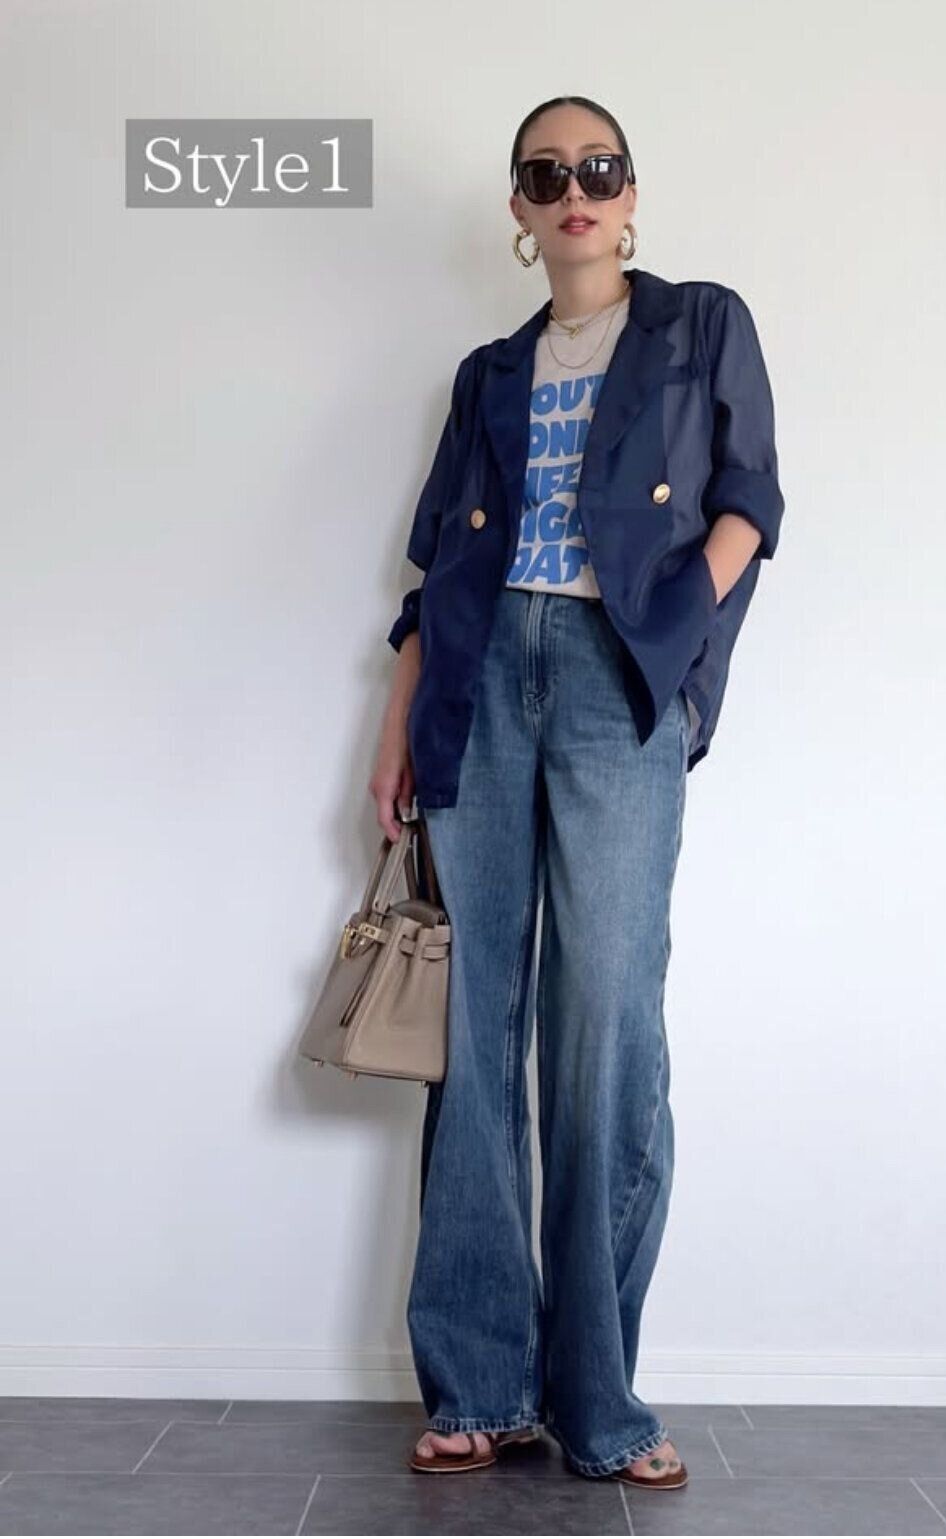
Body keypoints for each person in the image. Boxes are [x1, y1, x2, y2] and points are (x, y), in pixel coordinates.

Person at [368, 94, 784, 1489]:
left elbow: (751, 501)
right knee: (477, 1035)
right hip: (479, 684)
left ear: (631, 191)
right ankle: (479, 1386)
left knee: (605, 1027)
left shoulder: (699, 325)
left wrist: (667, 632)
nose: (574, 192)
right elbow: (436, 567)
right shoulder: (487, 372)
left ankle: (599, 1401)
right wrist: (397, 729)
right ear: (518, 210)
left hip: (617, 680)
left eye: (596, 167)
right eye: (545, 175)